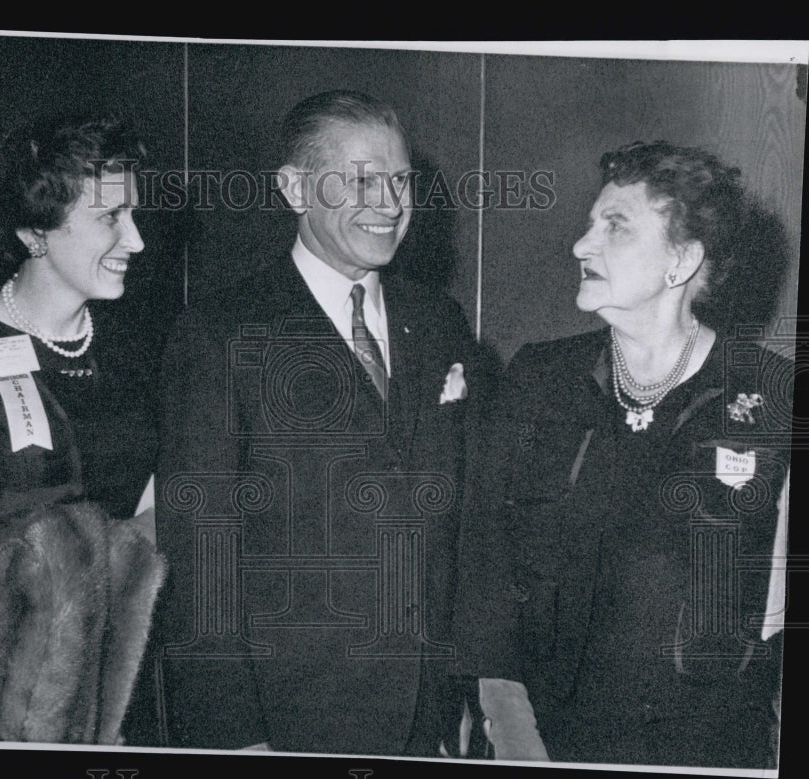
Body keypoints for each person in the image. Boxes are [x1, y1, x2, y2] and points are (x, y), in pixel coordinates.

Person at [152, 89, 540, 758]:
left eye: (399, 180)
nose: (389, 203)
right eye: (362, 180)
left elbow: (472, 521)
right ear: (296, 188)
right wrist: (234, 735)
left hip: (429, 716)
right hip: (290, 717)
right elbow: (199, 554)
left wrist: (487, 688)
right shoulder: (221, 332)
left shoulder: (439, 320)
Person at [452, 140, 792, 768]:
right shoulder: (537, 380)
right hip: (546, 744)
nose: (582, 245)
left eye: (615, 227)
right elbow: (485, 573)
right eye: (589, 224)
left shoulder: (774, 397)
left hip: (710, 750)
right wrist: (513, 734)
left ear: (682, 260)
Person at [0, 114, 164, 743]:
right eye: (110, 218)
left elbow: (157, 509)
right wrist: (38, 617)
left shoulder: (144, 352)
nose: (135, 239)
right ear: (34, 232)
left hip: (121, 696)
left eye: (132, 213)